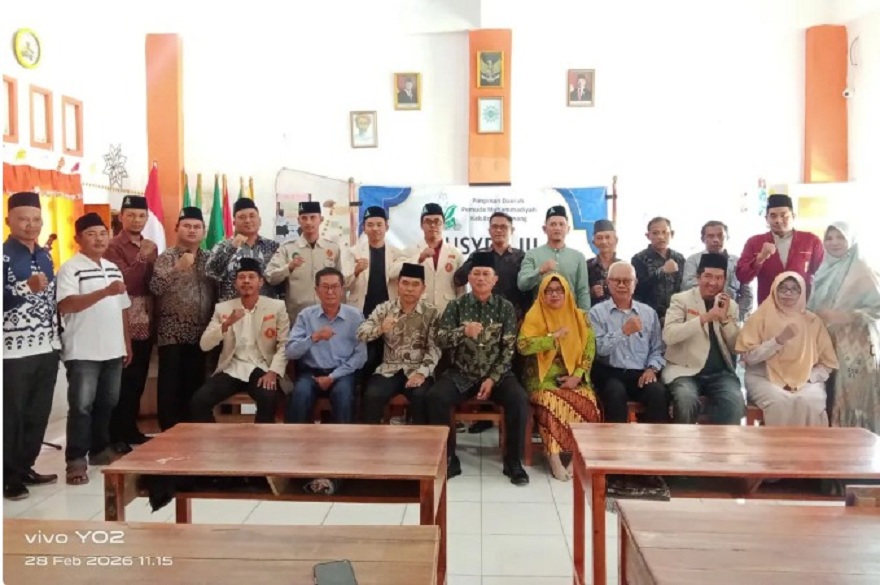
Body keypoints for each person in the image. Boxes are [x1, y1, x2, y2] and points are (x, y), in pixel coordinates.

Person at [426, 251, 530, 485]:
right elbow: (440, 339)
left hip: (497, 374)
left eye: (486, 274)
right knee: (435, 397)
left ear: (495, 280)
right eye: (476, 273)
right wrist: (462, 331)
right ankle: (448, 458)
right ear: (469, 278)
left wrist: (492, 378)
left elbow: (509, 349)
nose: (481, 278)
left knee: (518, 399)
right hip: (461, 372)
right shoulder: (456, 306)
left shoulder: (505, 308)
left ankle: (513, 461)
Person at [56, 213, 132, 486]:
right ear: (78, 238)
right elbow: (66, 305)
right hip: (83, 350)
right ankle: (76, 460)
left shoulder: (113, 268)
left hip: (113, 348)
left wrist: (126, 343)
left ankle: (100, 450)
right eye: (91, 234)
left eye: (103, 233)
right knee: (81, 406)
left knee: (107, 402)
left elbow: (123, 308)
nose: (99, 239)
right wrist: (104, 292)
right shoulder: (70, 268)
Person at [3, 192, 61, 500]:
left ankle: (25, 466)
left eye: (36, 219)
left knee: (37, 413)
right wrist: (26, 287)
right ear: (8, 221)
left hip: (46, 347)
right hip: (13, 352)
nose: (31, 225)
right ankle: (8, 476)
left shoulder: (45, 255)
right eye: (23, 219)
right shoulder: (4, 256)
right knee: (11, 415)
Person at [517, 273, 600, 481]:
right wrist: (551, 339)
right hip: (542, 380)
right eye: (549, 291)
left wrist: (577, 376)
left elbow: (589, 350)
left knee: (588, 402)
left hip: (574, 378)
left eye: (559, 290)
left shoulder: (581, 317)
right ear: (542, 294)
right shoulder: (534, 315)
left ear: (567, 292)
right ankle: (554, 458)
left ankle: (576, 457)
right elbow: (523, 346)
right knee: (551, 402)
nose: (554, 295)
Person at [190, 258, 289, 424]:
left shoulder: (276, 307)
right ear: (235, 284)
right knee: (199, 401)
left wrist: (273, 372)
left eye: (251, 277)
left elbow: (284, 344)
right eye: (241, 277)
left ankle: (261, 440)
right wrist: (227, 323)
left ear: (260, 282)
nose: (246, 281)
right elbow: (204, 344)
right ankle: (213, 439)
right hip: (232, 368)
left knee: (268, 397)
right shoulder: (223, 308)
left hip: (262, 367)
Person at [736, 272, 839, 426]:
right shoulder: (759, 317)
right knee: (780, 403)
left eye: (794, 289)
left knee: (809, 403)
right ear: (774, 290)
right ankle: (778, 443)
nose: (788, 293)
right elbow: (749, 357)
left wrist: (806, 378)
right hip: (764, 377)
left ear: (802, 292)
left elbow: (827, 364)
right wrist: (777, 341)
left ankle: (809, 443)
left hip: (806, 380)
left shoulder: (812, 321)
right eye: (783, 288)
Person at [808, 222, 880, 432]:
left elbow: (877, 307)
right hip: (826, 342)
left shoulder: (862, 269)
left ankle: (856, 442)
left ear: (851, 240)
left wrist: (846, 316)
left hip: (856, 346)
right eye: (829, 238)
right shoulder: (823, 269)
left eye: (840, 237)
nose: (834, 243)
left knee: (852, 398)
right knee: (829, 393)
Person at [149, 207, 215, 430]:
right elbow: (155, 287)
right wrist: (177, 269)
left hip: (201, 333)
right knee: (170, 385)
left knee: (195, 384)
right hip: (172, 332)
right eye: (187, 226)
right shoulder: (167, 257)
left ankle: (191, 431)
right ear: (177, 228)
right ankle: (169, 430)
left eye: (197, 227)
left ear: (204, 231)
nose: (192, 230)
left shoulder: (208, 258)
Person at [662, 253, 745, 425]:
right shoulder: (681, 300)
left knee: (734, 402)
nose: (713, 283)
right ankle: (683, 442)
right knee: (685, 399)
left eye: (718, 278)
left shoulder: (731, 305)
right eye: (708, 276)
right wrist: (706, 317)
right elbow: (669, 335)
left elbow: (736, 347)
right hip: (685, 371)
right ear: (698, 277)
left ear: (724, 280)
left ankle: (722, 443)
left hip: (720, 374)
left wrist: (724, 320)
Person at [103, 195, 157, 451]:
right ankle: (115, 434)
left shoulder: (150, 246)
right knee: (123, 378)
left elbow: (153, 284)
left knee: (138, 379)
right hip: (124, 316)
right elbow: (123, 283)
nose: (137, 220)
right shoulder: (112, 247)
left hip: (146, 316)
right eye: (131, 215)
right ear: (121, 217)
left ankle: (130, 428)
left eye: (141, 215)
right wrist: (142, 258)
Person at [357, 263, 440, 424]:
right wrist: (380, 328)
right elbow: (361, 334)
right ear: (397, 285)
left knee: (421, 397)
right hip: (389, 369)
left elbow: (434, 347)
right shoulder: (384, 308)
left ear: (423, 288)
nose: (409, 289)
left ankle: (421, 440)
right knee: (372, 395)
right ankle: (372, 440)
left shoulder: (432, 312)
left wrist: (422, 373)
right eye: (405, 283)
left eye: (415, 284)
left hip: (419, 368)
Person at [285, 267, 367, 424]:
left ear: (342, 290)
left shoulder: (355, 316)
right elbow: (291, 352)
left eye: (335, 287)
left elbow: (360, 356)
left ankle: (343, 439)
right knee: (300, 395)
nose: (330, 292)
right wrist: (314, 337)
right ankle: (297, 438)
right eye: (325, 287)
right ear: (317, 290)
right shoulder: (306, 315)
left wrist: (332, 377)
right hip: (311, 373)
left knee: (343, 396)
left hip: (342, 373)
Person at [589, 261, 668, 423]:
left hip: (641, 372)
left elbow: (657, 349)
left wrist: (652, 369)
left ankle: (655, 439)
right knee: (615, 393)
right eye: (616, 280)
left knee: (658, 393)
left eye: (627, 281)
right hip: (610, 373)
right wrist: (624, 332)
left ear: (635, 283)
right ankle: (616, 439)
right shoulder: (597, 312)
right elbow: (599, 349)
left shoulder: (648, 313)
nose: (621, 285)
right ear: (608, 283)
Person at [345, 206, 402, 381]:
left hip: (388, 313)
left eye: (379, 224)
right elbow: (344, 285)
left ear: (387, 226)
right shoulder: (353, 252)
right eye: (370, 225)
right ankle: (360, 390)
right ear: (364, 228)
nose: (375, 229)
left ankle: (379, 389)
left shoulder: (397, 254)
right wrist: (355, 271)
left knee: (385, 356)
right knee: (363, 358)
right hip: (363, 312)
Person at [736, 194, 824, 304]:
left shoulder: (811, 240)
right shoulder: (755, 242)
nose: (778, 220)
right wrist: (760, 258)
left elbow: (823, 275)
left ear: (793, 216)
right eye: (773, 216)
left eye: (784, 215)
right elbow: (742, 277)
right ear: (766, 219)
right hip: (769, 307)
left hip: (802, 307)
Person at [266, 201, 343, 323]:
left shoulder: (333, 248)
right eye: (304, 218)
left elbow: (341, 283)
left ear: (321, 219)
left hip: (328, 314)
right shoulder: (288, 248)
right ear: (298, 220)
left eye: (313, 218)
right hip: (297, 316)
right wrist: (288, 268)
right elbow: (270, 276)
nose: (308, 222)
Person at [454, 211, 529, 322]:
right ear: (489, 231)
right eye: (495, 227)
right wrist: (475, 263)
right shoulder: (479, 255)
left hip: (514, 317)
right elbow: (458, 280)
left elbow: (527, 290)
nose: (498, 230)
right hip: (482, 317)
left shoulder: (521, 256)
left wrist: (525, 316)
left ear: (512, 230)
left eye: (503, 227)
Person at [394, 203, 464, 314]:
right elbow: (392, 272)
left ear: (444, 224)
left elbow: (461, 288)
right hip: (419, 312)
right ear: (421, 225)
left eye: (437, 221)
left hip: (448, 311)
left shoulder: (455, 253)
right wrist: (419, 258)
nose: (433, 225)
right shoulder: (411, 251)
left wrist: (460, 313)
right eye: (428, 221)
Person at [206, 198, 280, 302]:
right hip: (231, 308)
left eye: (252, 216)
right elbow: (211, 272)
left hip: (265, 308)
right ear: (234, 222)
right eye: (242, 217)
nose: (248, 220)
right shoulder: (222, 246)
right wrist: (232, 248)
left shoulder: (273, 247)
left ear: (260, 221)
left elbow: (280, 279)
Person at [518, 205, 590, 311]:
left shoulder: (578, 257)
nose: (557, 228)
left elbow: (582, 291)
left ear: (568, 229)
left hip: (569, 315)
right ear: (544, 229)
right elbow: (522, 285)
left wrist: (584, 317)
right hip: (541, 315)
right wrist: (540, 270)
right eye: (553, 224)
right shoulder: (532, 255)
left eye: (561, 224)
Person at [682, 221, 753, 321]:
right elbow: (687, 287)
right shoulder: (693, 260)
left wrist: (738, 318)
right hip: (698, 317)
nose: (716, 240)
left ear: (727, 238)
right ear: (703, 239)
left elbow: (747, 295)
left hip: (729, 317)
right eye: (710, 236)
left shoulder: (738, 263)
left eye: (720, 236)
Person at [632, 217, 685, 324]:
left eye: (665, 232)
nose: (660, 237)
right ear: (648, 236)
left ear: (672, 234)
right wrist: (661, 272)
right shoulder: (639, 259)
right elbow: (638, 288)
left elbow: (683, 287)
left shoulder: (679, 258)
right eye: (655, 233)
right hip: (648, 314)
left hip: (675, 314)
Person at [586, 219, 620, 306]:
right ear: (593, 242)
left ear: (616, 240)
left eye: (607, 237)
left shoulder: (623, 267)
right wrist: (590, 293)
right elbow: (579, 292)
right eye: (599, 238)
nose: (604, 241)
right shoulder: (586, 266)